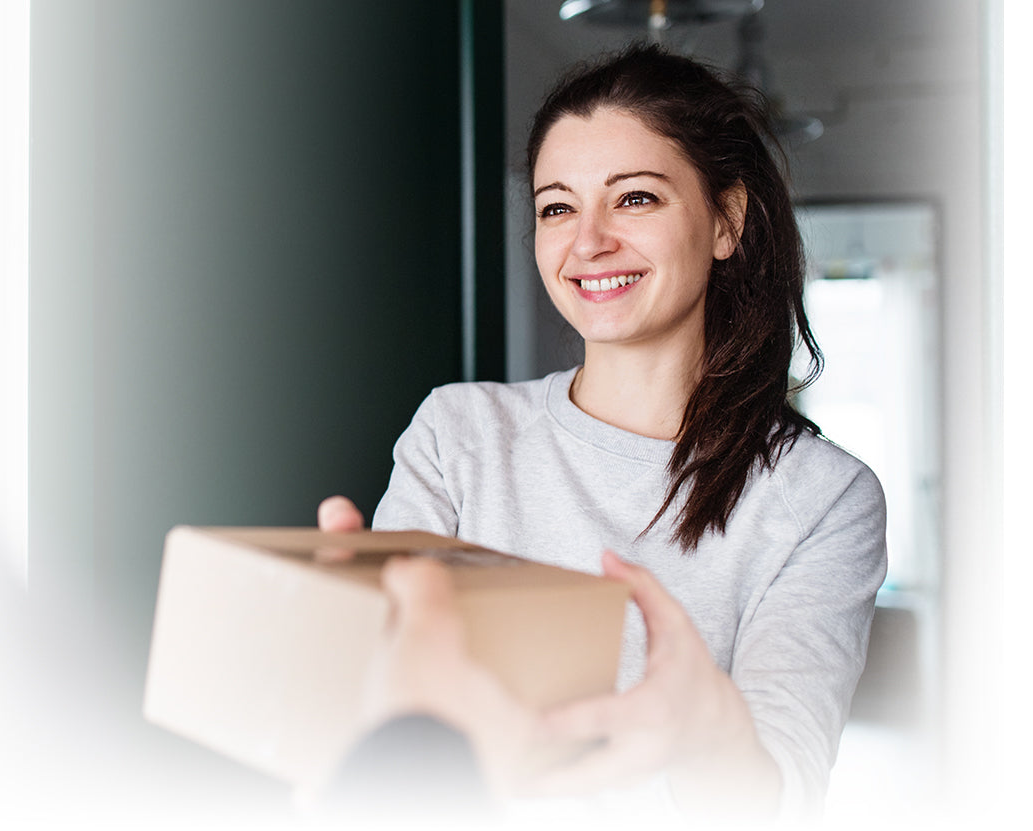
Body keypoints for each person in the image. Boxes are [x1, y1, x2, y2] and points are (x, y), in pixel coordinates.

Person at [318, 41, 886, 822]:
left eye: (636, 199)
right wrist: (340, 635)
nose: (588, 241)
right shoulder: (458, 434)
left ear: (727, 220)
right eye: (557, 206)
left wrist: (710, 733)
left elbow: (776, 795)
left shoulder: (824, 497)